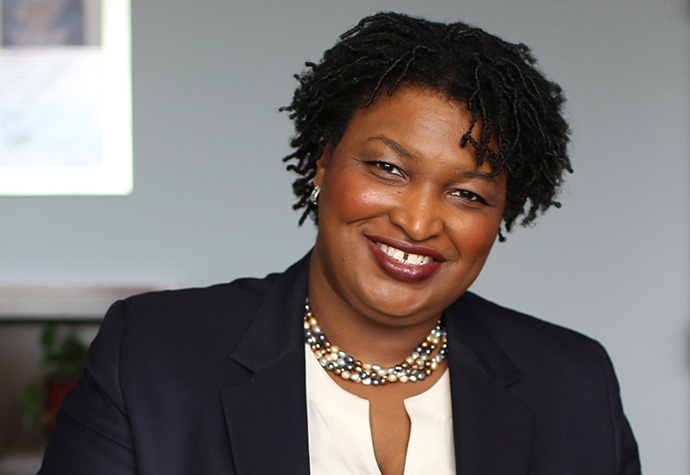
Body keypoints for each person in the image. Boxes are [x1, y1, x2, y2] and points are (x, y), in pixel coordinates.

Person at [39, 11, 640, 475]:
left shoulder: (572, 382)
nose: (419, 222)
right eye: (388, 169)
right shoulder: (154, 356)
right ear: (324, 163)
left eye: (467, 195)